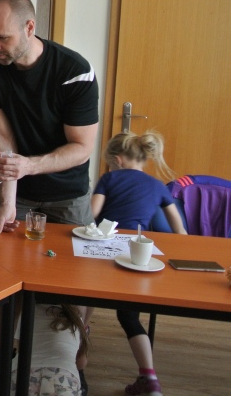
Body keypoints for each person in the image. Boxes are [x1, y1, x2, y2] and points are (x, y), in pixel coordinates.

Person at [0, 0, 99, 394]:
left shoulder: (75, 71)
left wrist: (30, 166)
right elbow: (1, 133)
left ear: (29, 27)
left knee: (76, 281)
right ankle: (4, 352)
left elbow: (82, 147)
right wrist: (8, 200)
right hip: (18, 187)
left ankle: (75, 362)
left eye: (2, 37)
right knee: (5, 276)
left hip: (67, 191)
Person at [92, 130, 186, 396]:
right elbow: (180, 230)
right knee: (128, 315)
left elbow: (91, 214)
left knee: (86, 299)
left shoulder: (109, 178)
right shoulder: (157, 185)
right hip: (138, 253)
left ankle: (79, 358)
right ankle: (149, 377)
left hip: (104, 249)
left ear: (118, 160)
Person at [11, 304, 90, 396]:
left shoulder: (27, 313)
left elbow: (22, 350)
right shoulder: (76, 321)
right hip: (63, 378)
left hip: (22, 376)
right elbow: (81, 362)